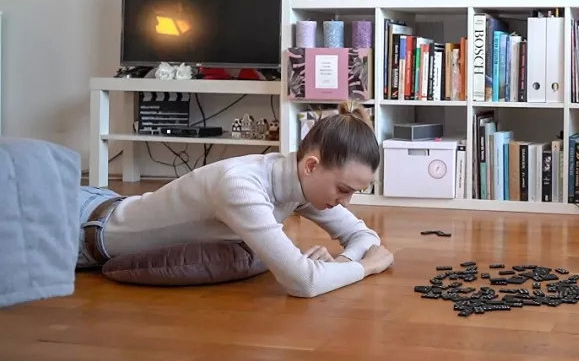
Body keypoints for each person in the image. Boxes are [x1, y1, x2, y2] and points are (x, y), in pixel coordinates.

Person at [77, 101, 394, 298]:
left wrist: (343, 263)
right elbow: (303, 282)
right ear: (311, 166)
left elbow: (364, 236)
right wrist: (365, 267)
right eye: (343, 189)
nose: (346, 202)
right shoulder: (241, 187)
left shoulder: (302, 184)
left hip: (109, 204)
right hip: (79, 226)